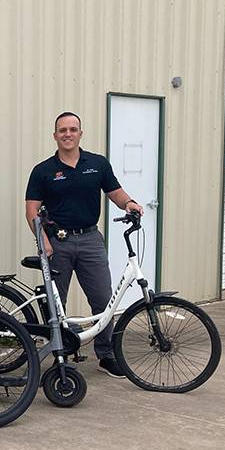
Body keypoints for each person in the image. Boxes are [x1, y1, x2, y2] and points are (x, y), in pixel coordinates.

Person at [24, 111, 144, 378]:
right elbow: (31, 210)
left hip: (91, 240)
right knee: (57, 304)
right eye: (62, 130)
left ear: (81, 133)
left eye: (73, 129)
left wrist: (130, 203)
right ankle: (60, 357)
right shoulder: (43, 171)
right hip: (58, 242)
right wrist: (43, 240)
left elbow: (115, 192)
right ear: (55, 135)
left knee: (103, 299)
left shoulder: (98, 164)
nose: (68, 134)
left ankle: (107, 354)